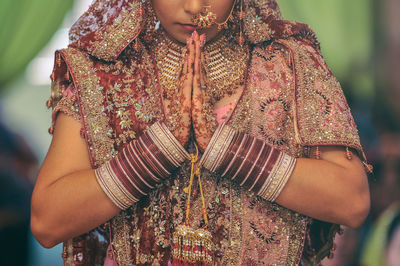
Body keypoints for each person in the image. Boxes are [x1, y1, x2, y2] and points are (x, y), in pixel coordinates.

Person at [31, 0, 371, 265]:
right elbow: (47, 222)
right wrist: (161, 149)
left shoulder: (291, 64)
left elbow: (352, 201)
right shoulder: (102, 73)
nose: (195, 7)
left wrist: (226, 149)